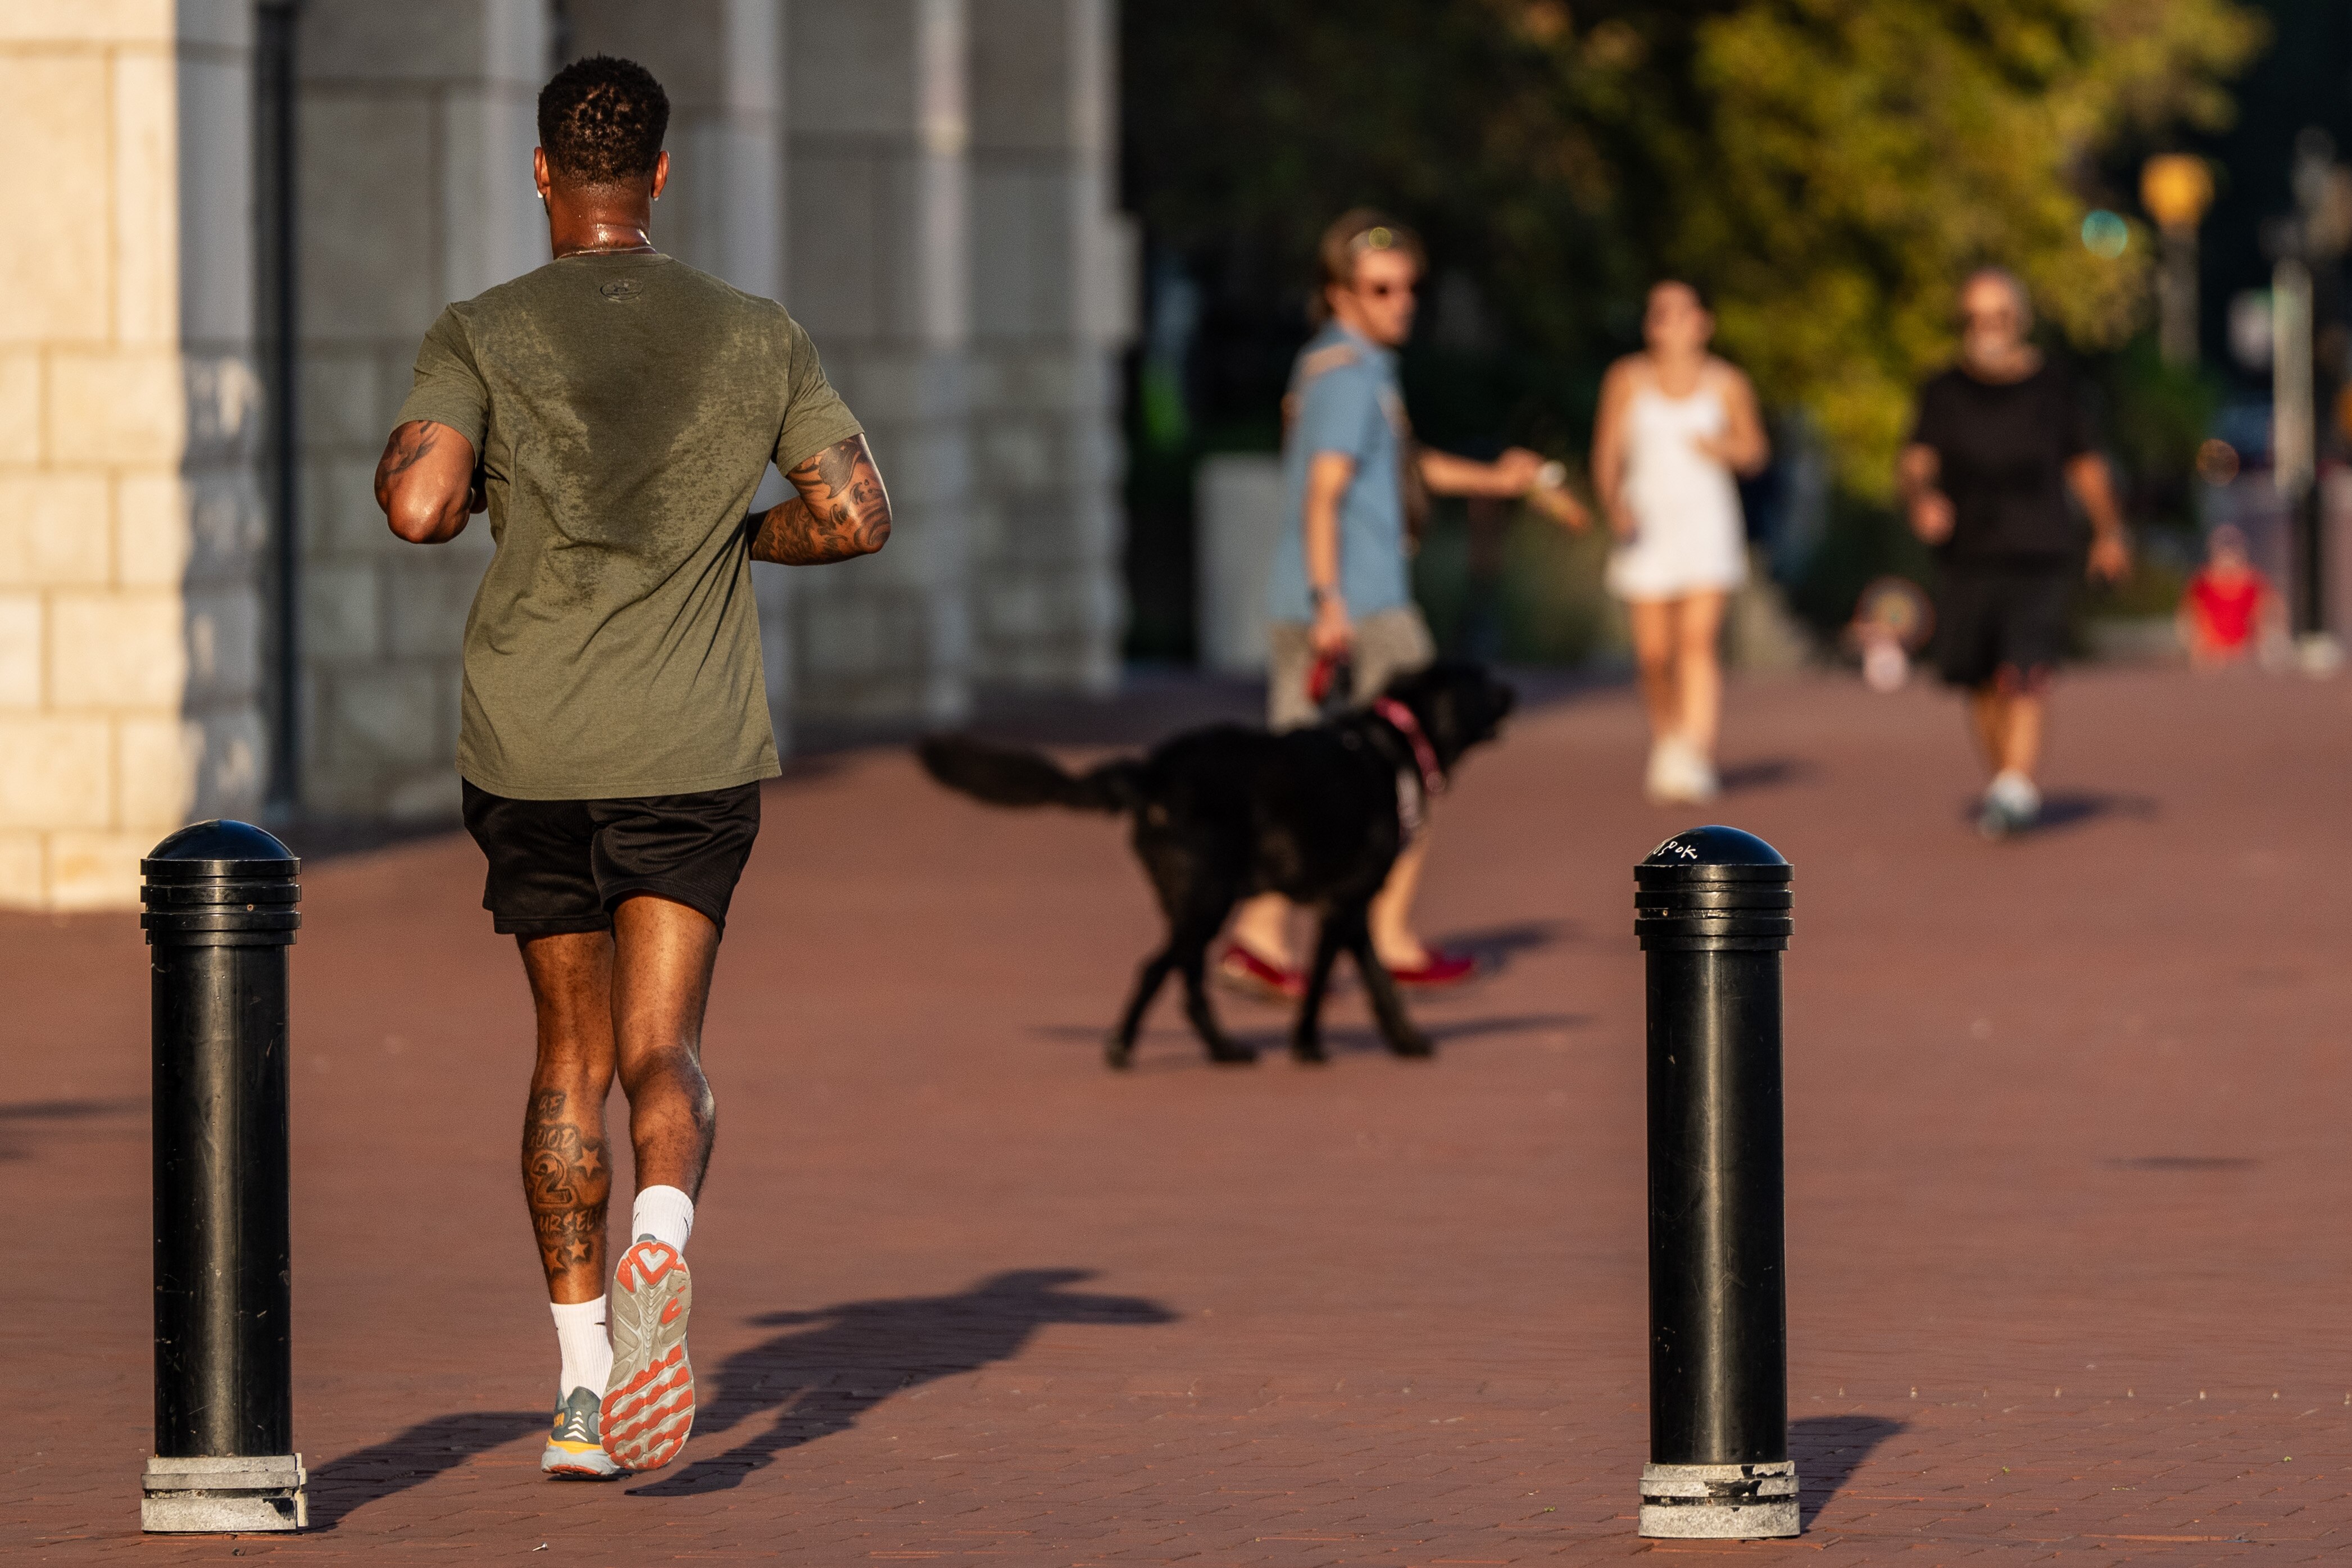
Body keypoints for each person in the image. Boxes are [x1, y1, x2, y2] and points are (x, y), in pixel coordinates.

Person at [373, 56, 891, 1479]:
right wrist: (737, 539)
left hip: (531, 743)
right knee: (666, 1050)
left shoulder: (481, 329)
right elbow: (854, 514)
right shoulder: (754, 330)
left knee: (567, 1057)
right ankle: (668, 1233)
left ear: (541, 172)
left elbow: (420, 505)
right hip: (689, 741)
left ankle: (586, 1389)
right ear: (662, 174)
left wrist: (443, 462)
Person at [1219, 210, 1572, 998]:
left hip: (1323, 598)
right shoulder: (1350, 374)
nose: (1398, 303)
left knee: (1302, 775)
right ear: (1337, 293)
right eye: (1379, 289)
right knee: (1415, 772)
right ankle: (1386, 936)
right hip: (1358, 603)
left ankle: (1263, 935)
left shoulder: (1338, 367)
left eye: (1408, 288)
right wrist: (1330, 601)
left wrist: (1496, 479)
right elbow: (1323, 495)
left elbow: (1400, 470)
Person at [1899, 267, 2129, 838]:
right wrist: (1922, 497)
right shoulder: (1942, 389)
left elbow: (2085, 463)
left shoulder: (2052, 385)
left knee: (2024, 668)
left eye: (1999, 316)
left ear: (2020, 321)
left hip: (2038, 547)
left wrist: (2108, 532)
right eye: (1975, 318)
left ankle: (2016, 785)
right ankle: (2006, 779)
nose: (1987, 328)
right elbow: (1916, 461)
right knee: (1978, 677)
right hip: (1967, 550)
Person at [1588, 280, 1770, 804]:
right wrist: (1614, 504)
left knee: (1697, 641)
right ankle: (1667, 739)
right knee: (1652, 652)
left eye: (1678, 312)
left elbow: (1755, 451)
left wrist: (1724, 446)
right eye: (1658, 313)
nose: (1666, 323)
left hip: (1707, 523)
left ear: (1702, 323)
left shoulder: (1727, 382)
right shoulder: (1626, 379)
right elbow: (1606, 452)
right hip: (1646, 522)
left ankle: (1695, 753)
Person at [2177, 523, 2280, 667]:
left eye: (2233, 551)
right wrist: (2198, 651)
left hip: (2246, 655)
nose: (2228, 558)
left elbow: (2269, 615)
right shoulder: (2202, 583)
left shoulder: (2254, 582)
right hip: (2213, 657)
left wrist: (2267, 648)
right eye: (2224, 552)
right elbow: (2188, 619)